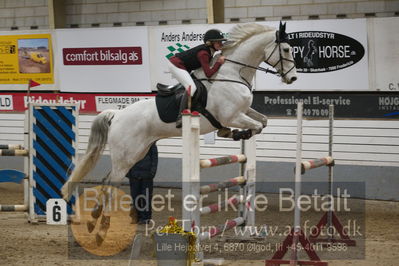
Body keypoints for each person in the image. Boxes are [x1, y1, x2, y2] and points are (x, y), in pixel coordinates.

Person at [167, 29, 227, 128]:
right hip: (175, 64)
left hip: (185, 66)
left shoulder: (210, 51)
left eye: (221, 41)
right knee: (192, 87)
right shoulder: (203, 53)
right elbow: (208, 74)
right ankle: (180, 116)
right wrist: (219, 63)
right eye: (218, 42)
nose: (221, 44)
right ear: (210, 43)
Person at [126, 142, 158, 224]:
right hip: (134, 175)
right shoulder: (131, 143)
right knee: (135, 197)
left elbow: (154, 158)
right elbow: (127, 158)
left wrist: (152, 173)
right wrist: (129, 173)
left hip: (146, 175)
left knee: (146, 197)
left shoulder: (151, 144)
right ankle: (136, 216)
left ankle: (145, 218)